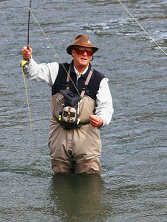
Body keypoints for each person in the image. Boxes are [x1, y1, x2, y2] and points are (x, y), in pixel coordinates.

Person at [22, 34, 113, 174]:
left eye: (88, 51)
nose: (84, 54)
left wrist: (101, 120)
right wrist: (28, 60)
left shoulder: (100, 80)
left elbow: (106, 108)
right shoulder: (56, 70)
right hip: (59, 131)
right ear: (73, 52)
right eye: (80, 50)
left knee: (91, 177)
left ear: (91, 55)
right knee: (60, 174)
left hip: (86, 132)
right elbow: (34, 72)